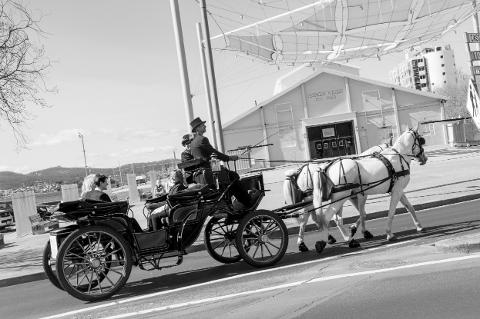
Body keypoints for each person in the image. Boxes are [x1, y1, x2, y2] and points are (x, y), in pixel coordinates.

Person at [189, 117, 254, 208]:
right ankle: (246, 203)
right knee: (234, 176)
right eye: (202, 125)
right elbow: (214, 153)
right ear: (197, 128)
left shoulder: (192, 143)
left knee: (230, 177)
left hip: (201, 173)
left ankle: (232, 203)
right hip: (209, 172)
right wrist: (229, 158)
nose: (205, 126)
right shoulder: (202, 139)